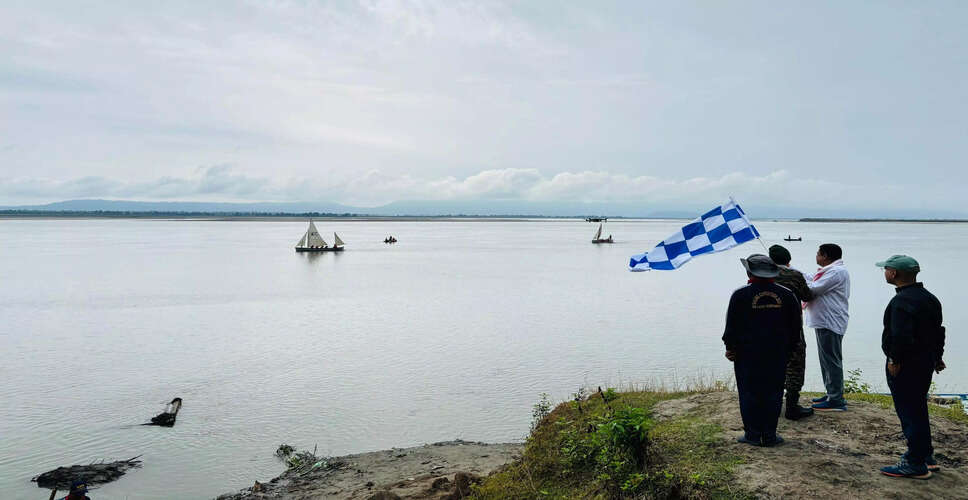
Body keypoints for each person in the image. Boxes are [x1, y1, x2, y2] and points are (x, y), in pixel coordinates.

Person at [876, 255, 946, 479]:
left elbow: (901, 337)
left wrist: (894, 360)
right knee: (918, 408)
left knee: (909, 411)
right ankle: (926, 456)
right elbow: (938, 332)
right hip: (924, 361)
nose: (884, 272)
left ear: (894, 274)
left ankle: (915, 463)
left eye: (886, 269)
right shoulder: (930, 298)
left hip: (907, 364)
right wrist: (937, 357)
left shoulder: (901, 302)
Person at [723, 254, 802, 446]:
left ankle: (752, 434)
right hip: (777, 353)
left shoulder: (740, 295)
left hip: (747, 354)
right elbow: (795, 328)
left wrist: (730, 348)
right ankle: (769, 434)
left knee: (749, 392)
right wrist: (791, 350)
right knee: (773, 392)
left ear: (749, 271)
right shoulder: (787, 295)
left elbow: (731, 326)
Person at [768, 244, 814, 420]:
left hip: (765, 327)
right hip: (791, 326)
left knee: (769, 364)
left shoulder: (762, 274)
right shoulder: (794, 275)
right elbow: (807, 296)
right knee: (795, 364)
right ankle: (792, 406)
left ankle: (771, 402)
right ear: (788, 261)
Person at [804, 243, 851, 412]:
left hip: (830, 321)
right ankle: (831, 393)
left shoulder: (836, 272)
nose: (816, 256)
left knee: (831, 360)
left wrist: (794, 281)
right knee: (826, 360)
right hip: (824, 321)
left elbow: (813, 289)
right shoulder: (827, 271)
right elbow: (809, 278)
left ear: (825, 256)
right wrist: (789, 269)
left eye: (818, 253)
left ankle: (836, 399)